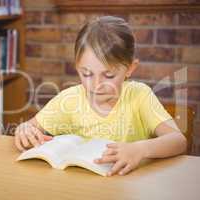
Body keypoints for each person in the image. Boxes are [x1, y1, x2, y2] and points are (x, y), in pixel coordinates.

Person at [14, 16, 187, 176]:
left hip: (127, 185)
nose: (96, 85)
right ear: (77, 66)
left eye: (109, 75)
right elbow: (30, 127)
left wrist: (139, 149)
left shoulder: (139, 96)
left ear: (130, 69)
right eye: (87, 73)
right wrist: (25, 131)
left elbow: (178, 141)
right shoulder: (69, 99)